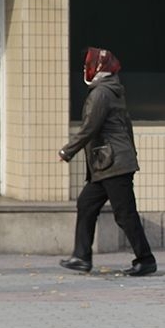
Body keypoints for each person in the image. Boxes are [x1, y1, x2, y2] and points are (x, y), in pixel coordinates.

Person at [58, 47, 157, 277]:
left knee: (125, 214)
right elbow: (126, 126)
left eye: (88, 65)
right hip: (108, 164)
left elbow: (90, 128)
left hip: (113, 164)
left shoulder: (101, 93)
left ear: (98, 68)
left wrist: (67, 151)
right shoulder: (112, 90)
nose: (85, 69)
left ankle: (146, 259)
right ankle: (81, 257)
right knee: (86, 203)